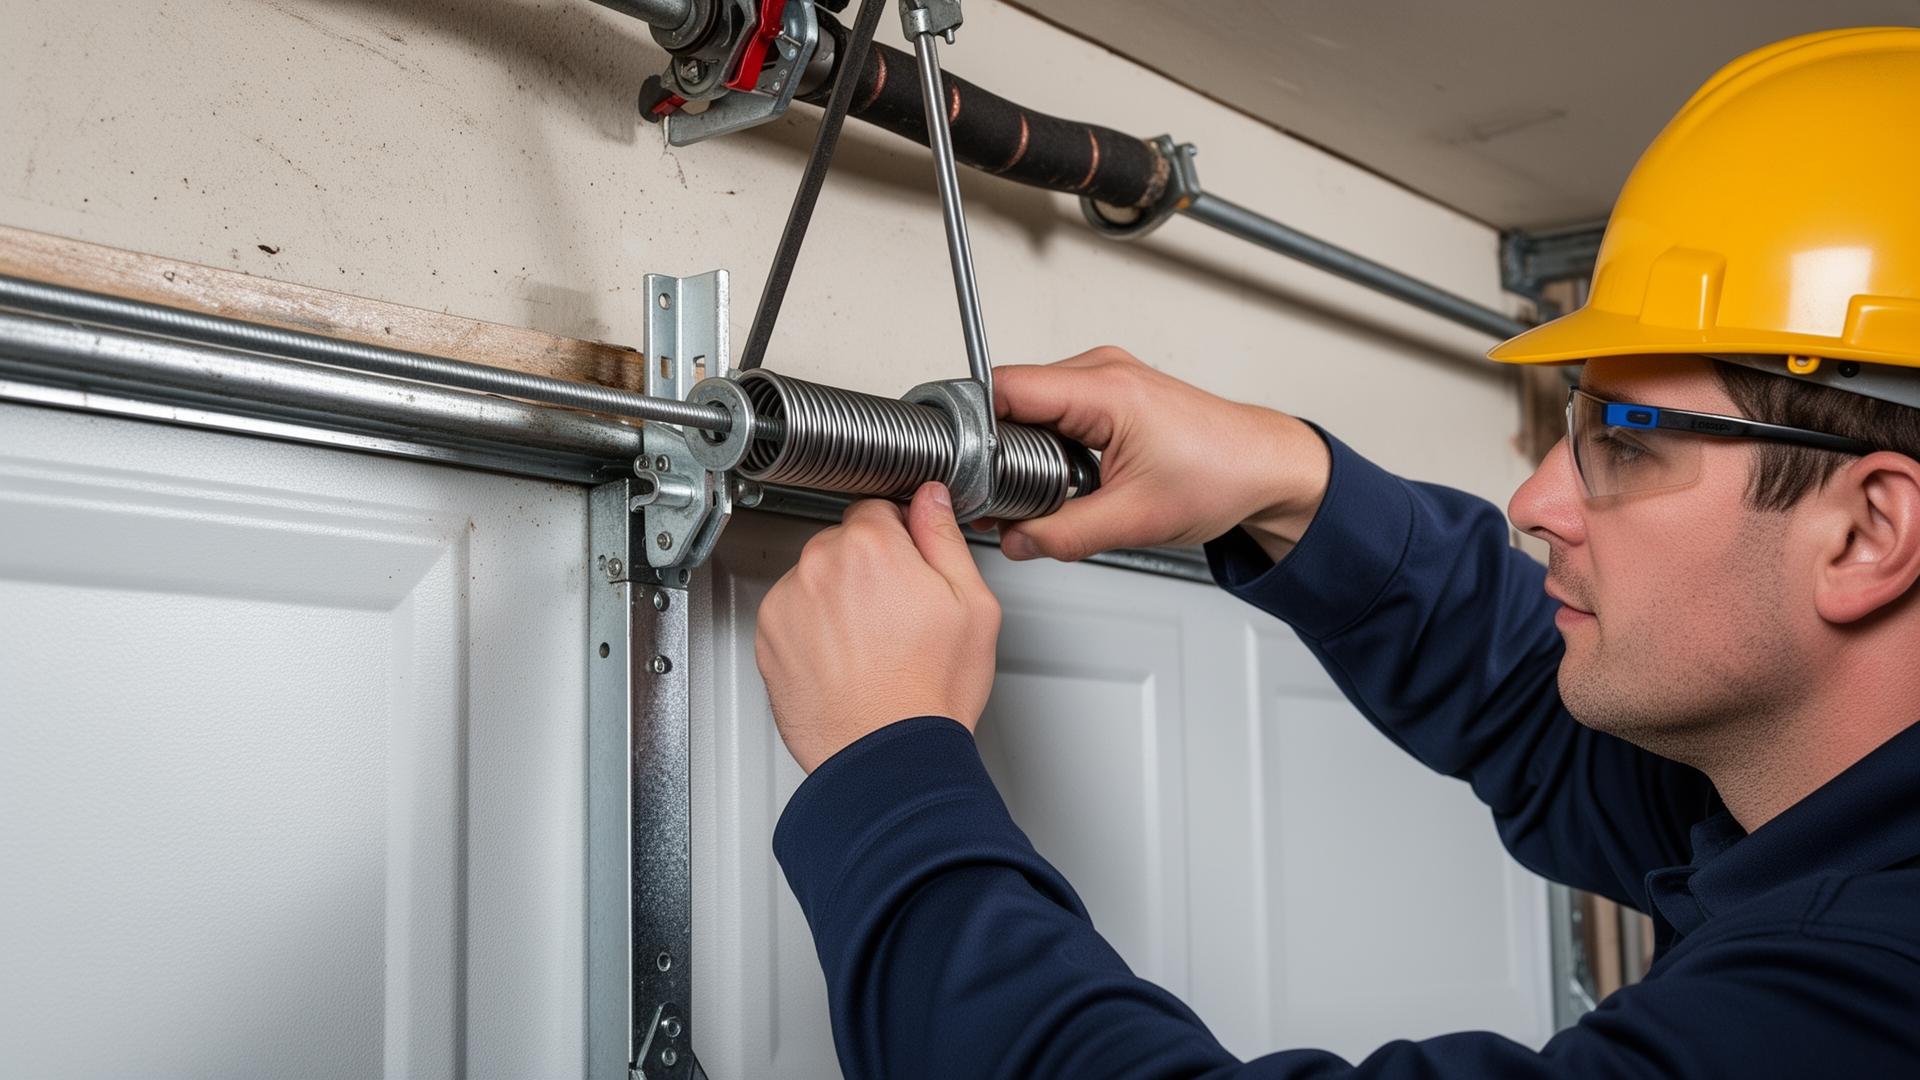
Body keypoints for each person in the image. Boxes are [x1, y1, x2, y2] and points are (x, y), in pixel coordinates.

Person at [752, 27, 1920, 1077]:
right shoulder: (1817, 809)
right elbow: (1538, 713)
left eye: (1624, 440)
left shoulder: (1863, 993)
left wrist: (892, 781)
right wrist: (1285, 476)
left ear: (1869, 531)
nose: (1537, 496)